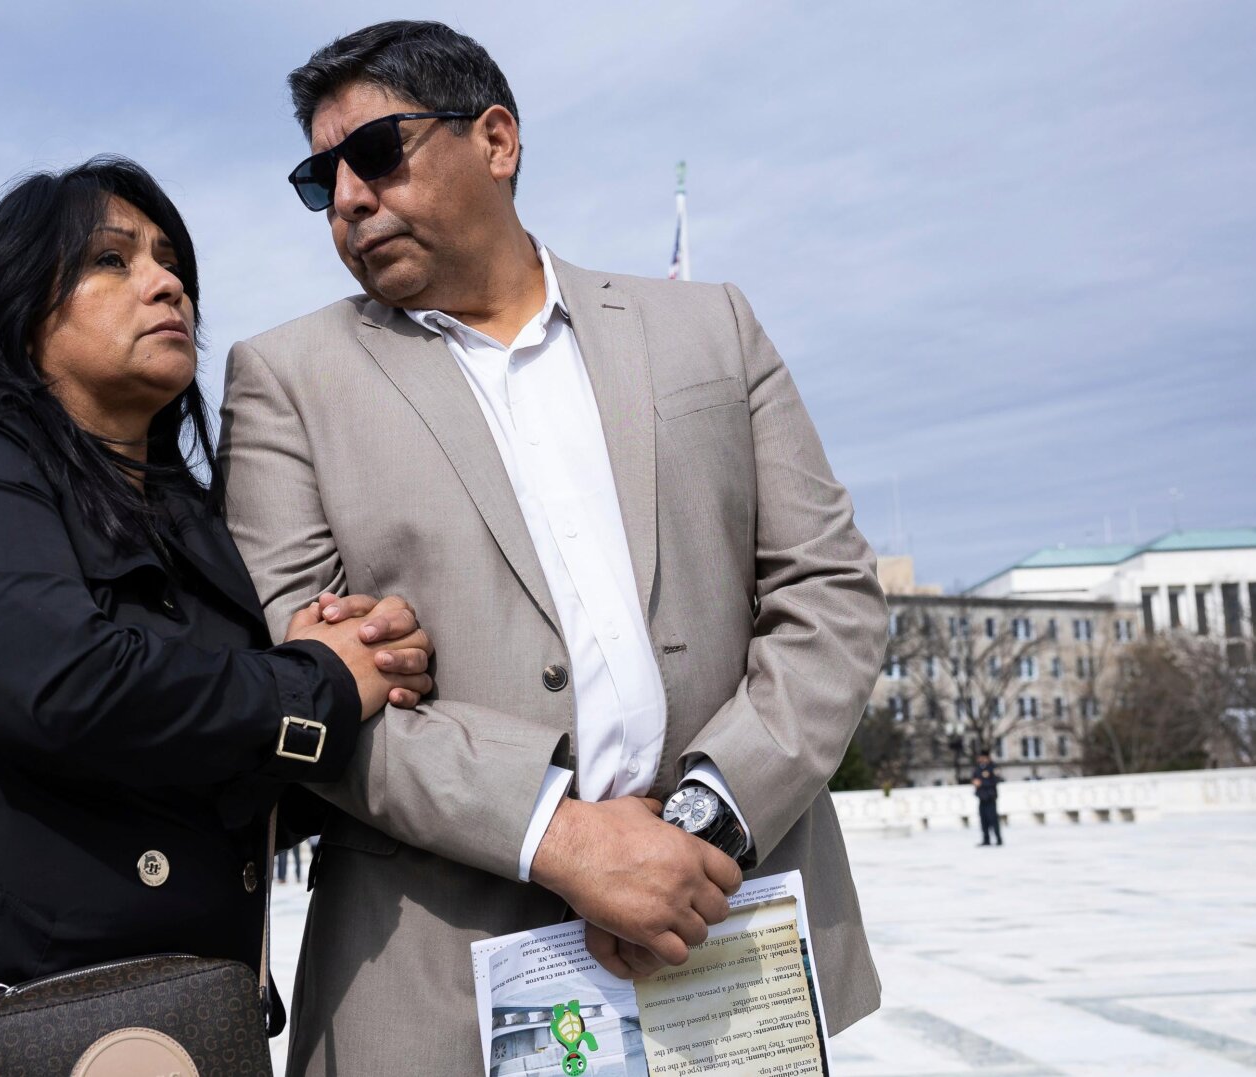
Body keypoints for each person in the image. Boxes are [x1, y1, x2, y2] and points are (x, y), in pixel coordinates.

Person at [217, 21, 889, 1073]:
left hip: (720, 939)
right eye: (321, 177)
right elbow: (292, 687)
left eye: (377, 153)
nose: (348, 197)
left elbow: (832, 596)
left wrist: (702, 831)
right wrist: (565, 839)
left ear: (495, 140)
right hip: (438, 978)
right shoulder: (286, 381)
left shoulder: (709, 330)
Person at [0, 156, 435, 1075]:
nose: (166, 284)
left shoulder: (194, 515)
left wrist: (371, 658)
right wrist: (320, 683)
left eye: (171, 262)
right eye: (112, 261)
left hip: (164, 1023)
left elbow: (223, 771)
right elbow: (68, 688)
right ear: (21, 307)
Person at [971, 750, 1004, 846]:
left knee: (993, 819)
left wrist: (981, 783)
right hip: (981, 798)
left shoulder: (993, 767)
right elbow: (974, 779)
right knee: (983, 820)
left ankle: (998, 839)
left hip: (990, 797)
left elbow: (995, 780)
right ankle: (986, 839)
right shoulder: (978, 768)